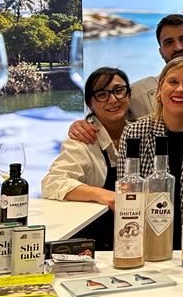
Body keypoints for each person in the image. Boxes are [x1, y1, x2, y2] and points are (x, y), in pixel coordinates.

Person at [119, 58, 183, 251]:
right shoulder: (134, 133)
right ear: (160, 89)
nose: (180, 89)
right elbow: (126, 198)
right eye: (173, 82)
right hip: (146, 243)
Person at [67, 13, 183, 144]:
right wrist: (81, 126)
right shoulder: (136, 92)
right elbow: (104, 118)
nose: (178, 47)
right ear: (161, 51)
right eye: (169, 42)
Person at [42, 67, 130, 249]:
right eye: (102, 94)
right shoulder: (83, 140)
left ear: (129, 94)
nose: (113, 99)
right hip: (96, 245)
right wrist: (103, 195)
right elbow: (53, 182)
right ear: (90, 103)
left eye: (119, 90)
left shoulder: (142, 133)